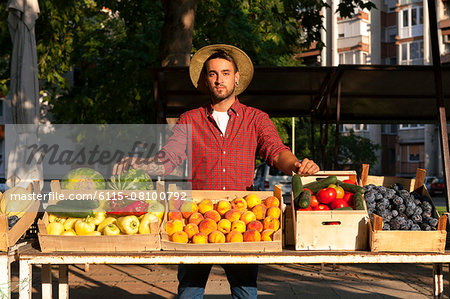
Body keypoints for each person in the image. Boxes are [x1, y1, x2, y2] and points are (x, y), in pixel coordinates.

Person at [114, 44, 320, 299]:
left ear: (236, 78)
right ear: (205, 79)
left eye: (225, 72)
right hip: (196, 216)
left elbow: (277, 152)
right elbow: (169, 158)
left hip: (244, 216)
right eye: (212, 74)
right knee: (189, 292)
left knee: (245, 292)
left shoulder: (255, 119)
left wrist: (297, 166)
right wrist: (139, 163)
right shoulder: (189, 119)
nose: (219, 79)